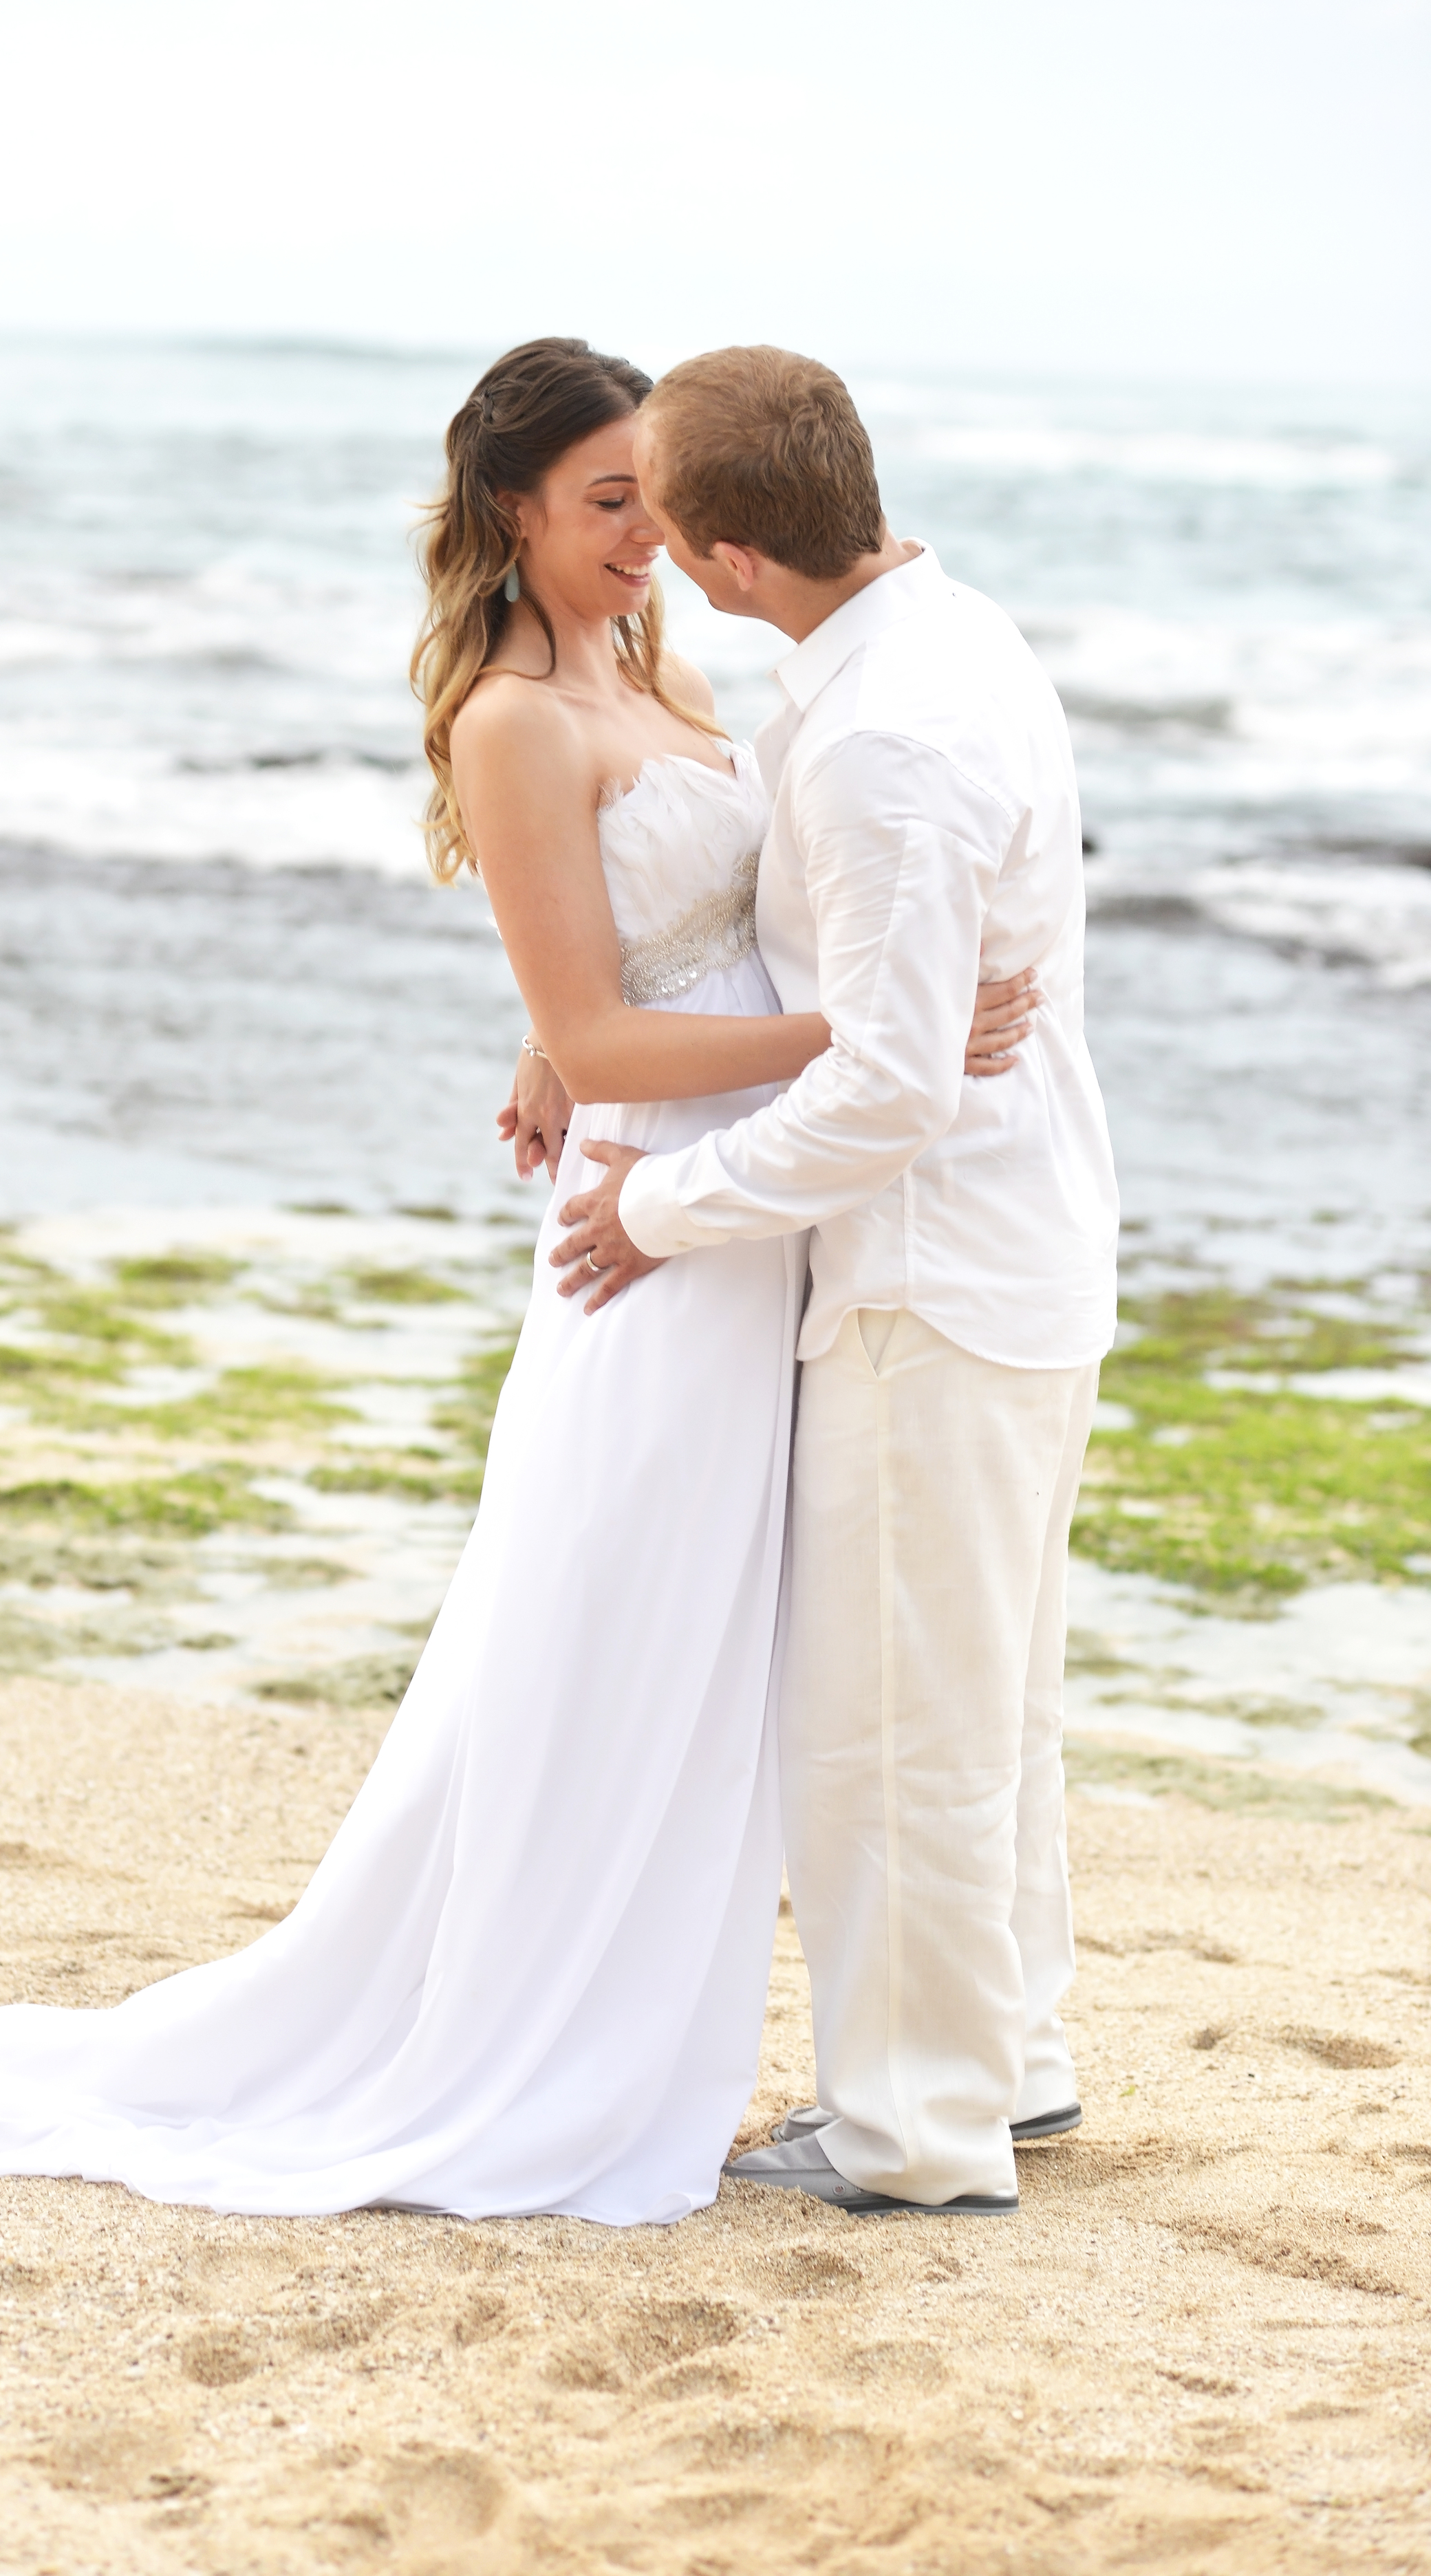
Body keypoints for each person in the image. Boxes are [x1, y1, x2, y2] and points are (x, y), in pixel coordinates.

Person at [0, 338, 1033, 2225]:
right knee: (605, 1632)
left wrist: (647, 1032)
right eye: (610, 507)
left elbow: (648, 949)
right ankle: (537, 2038)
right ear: (514, 509)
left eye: (659, 508)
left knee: (704, 1649)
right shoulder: (514, 712)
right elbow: (605, 1030)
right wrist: (864, 1031)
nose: (648, 542)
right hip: (654, 1230)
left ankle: (667, 2028)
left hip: (742, 1206)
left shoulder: (652, 660)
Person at [557, 346, 1119, 2217]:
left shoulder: (878, 732)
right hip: (1017, 1240)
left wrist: (664, 1206)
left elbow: (883, 1087)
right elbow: (916, 1018)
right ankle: (1008, 2060)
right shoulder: (947, 638)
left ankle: (910, 2125)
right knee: (985, 1696)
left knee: (894, 1718)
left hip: (932, 1272)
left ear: (725, 555)